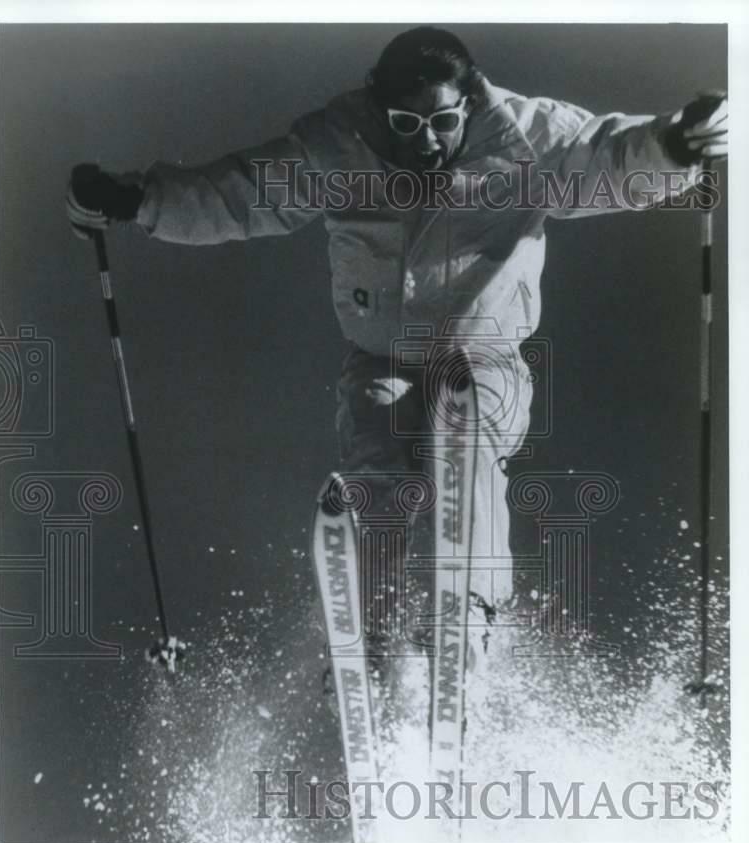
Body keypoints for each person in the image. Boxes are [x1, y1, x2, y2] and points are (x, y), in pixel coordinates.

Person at [67, 26, 727, 668]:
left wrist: (677, 142)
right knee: (379, 469)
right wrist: (137, 199)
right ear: (380, 106)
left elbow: (609, 158)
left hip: (481, 360)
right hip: (381, 359)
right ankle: (372, 645)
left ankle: (463, 620)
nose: (426, 143)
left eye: (442, 122)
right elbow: (237, 196)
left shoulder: (527, 137)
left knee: (458, 445)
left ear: (467, 101)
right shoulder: (338, 145)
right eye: (405, 126)